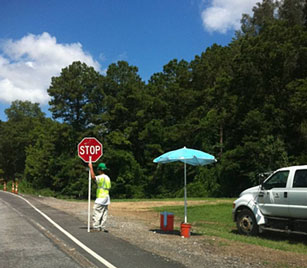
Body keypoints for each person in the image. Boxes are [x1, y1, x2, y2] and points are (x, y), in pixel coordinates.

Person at [88, 162, 111, 232]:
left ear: (100, 170)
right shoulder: (107, 177)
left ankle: (96, 227)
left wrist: (91, 167)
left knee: (97, 211)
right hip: (106, 197)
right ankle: (102, 227)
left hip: (101, 197)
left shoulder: (101, 177)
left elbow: (93, 177)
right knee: (104, 213)